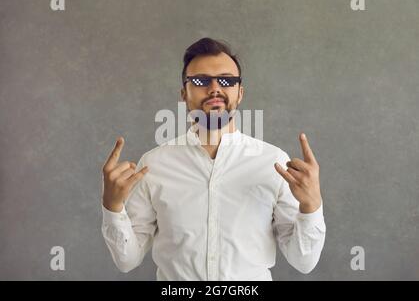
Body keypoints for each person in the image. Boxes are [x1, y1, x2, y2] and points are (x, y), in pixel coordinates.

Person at [101, 37, 326, 280]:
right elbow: (127, 260)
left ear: (239, 93)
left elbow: (304, 262)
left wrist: (310, 206)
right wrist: (112, 207)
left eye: (227, 80)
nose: (215, 88)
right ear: (184, 94)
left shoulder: (274, 163)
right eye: (200, 80)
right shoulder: (153, 165)